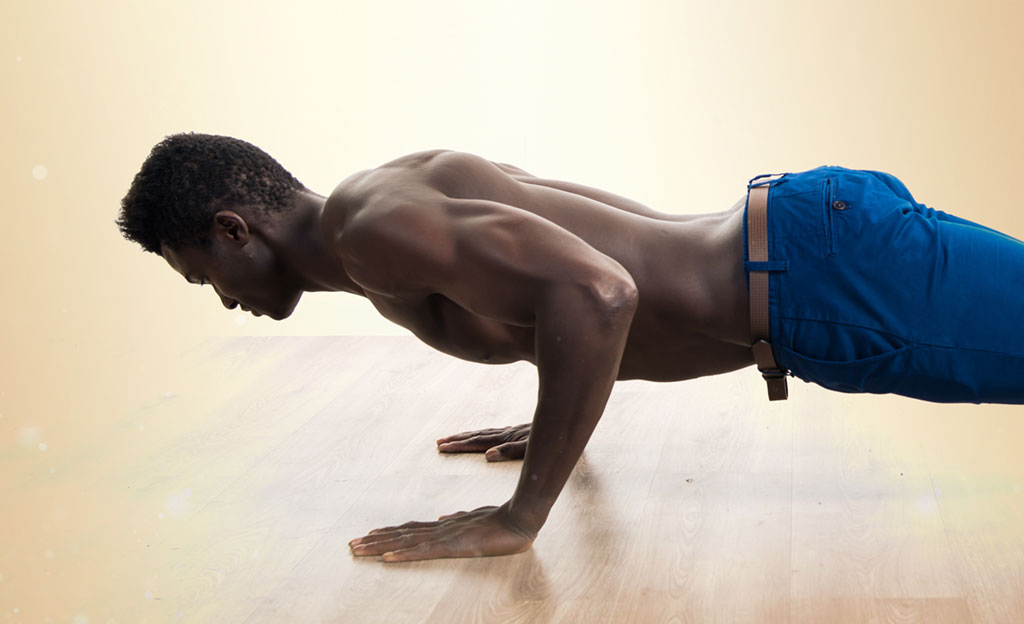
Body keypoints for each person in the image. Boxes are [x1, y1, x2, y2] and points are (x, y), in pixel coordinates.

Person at [116, 132, 1024, 562]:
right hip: (805, 236)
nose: (223, 300)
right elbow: (616, 253)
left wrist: (520, 517)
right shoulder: (384, 192)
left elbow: (598, 292)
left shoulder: (372, 235)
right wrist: (560, 408)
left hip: (821, 282)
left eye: (203, 277)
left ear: (233, 230)